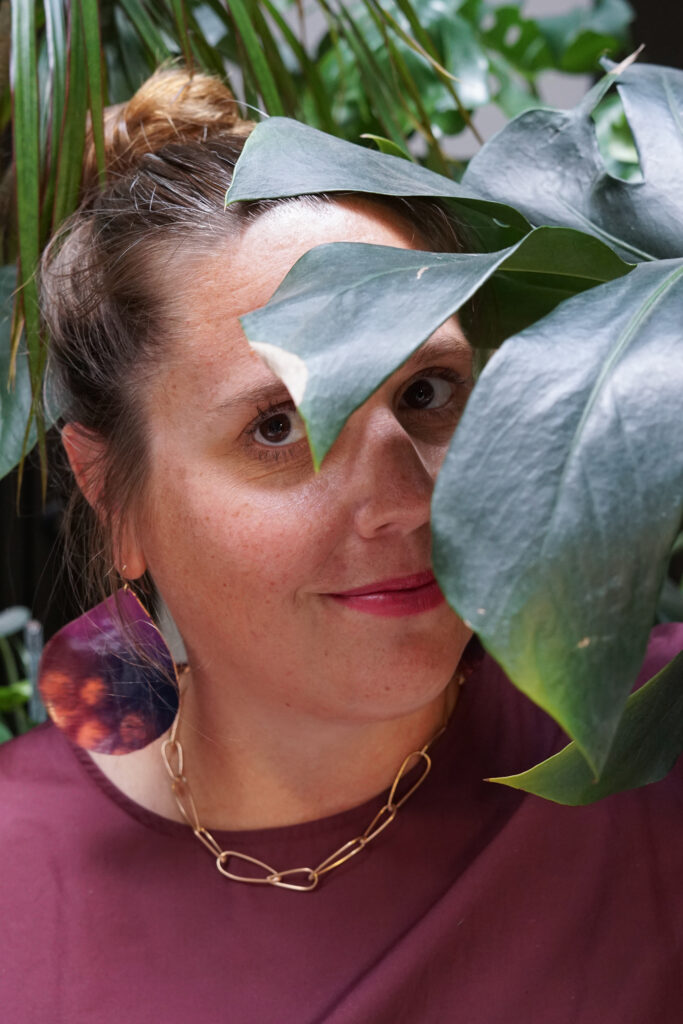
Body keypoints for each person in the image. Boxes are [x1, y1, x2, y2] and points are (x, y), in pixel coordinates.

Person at [1, 68, 681, 1024]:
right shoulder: (19, 875)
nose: (399, 504)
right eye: (279, 426)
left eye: (427, 393)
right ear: (111, 495)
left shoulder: (654, 741)